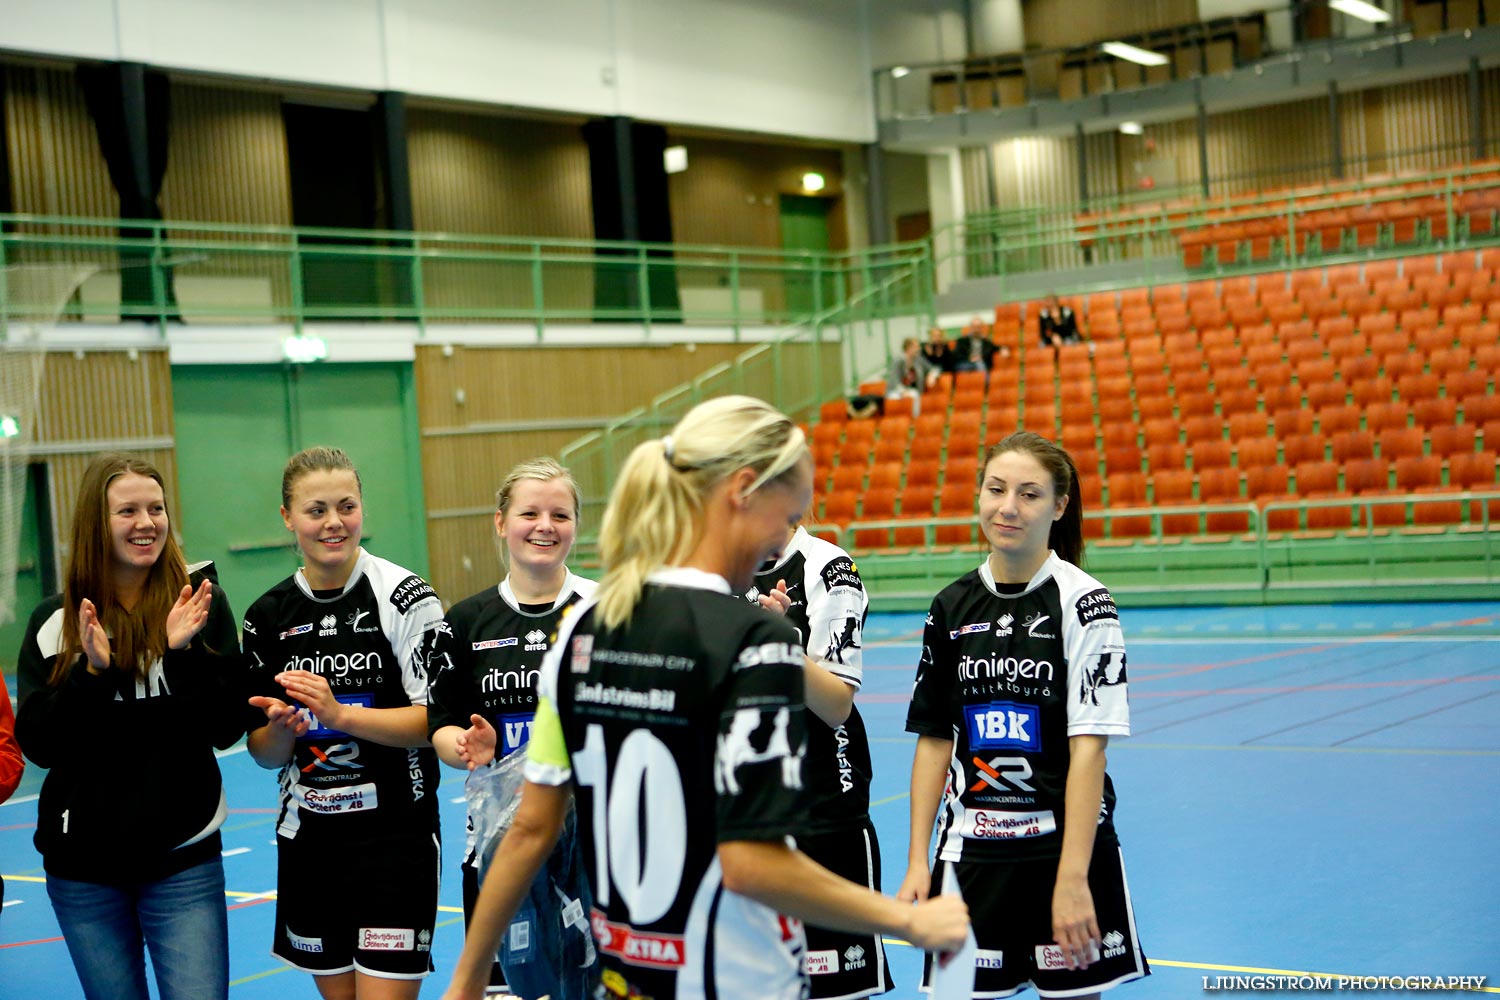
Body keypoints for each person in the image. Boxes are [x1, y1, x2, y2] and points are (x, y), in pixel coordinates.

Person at [440, 395, 968, 1000]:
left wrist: (467, 978)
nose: (782, 542)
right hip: (735, 975)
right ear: (743, 491)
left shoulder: (582, 632)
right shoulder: (753, 643)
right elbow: (752, 863)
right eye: (786, 514)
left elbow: (530, 828)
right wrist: (905, 919)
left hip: (630, 974)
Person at [898, 430, 1149, 999]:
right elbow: (935, 738)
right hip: (971, 852)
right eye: (996, 489)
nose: (1008, 507)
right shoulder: (950, 606)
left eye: (1030, 494)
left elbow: (1090, 747)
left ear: (1060, 506)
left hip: (1060, 850)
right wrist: (918, 861)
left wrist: (1072, 878)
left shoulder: (1085, 603)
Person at [14, 454, 242, 1000]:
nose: (147, 522)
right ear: (98, 522)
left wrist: (182, 654)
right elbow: (40, 744)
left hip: (183, 860)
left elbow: (226, 724)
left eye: (156, 508)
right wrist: (91, 674)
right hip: (83, 871)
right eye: (128, 511)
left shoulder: (199, 602)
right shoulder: (55, 621)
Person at [243, 446, 445, 1000]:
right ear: (287, 517)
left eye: (346, 506)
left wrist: (339, 716)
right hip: (311, 843)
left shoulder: (407, 598)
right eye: (316, 510)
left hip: (395, 838)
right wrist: (284, 728)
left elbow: (433, 719)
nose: (334, 522)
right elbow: (263, 752)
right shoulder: (266, 616)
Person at [427, 458, 598, 1000]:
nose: (545, 525)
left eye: (560, 514)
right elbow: (441, 724)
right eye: (529, 513)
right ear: (500, 523)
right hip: (501, 842)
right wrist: (463, 746)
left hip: (596, 845)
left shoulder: (607, 609)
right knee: (511, 988)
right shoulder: (465, 622)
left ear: (576, 524)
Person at [750, 527, 893, 1000]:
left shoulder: (829, 569)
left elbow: (835, 706)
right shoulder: (720, 567)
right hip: (749, 806)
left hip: (824, 799)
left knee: (838, 985)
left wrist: (780, 644)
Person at [887, 337, 939, 416]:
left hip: (913, 390)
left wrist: (931, 375)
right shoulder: (897, 361)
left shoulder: (919, 360)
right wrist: (903, 391)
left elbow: (934, 368)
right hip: (897, 390)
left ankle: (914, 420)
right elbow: (894, 379)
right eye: (916, 347)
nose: (919, 349)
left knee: (914, 394)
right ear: (908, 348)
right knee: (893, 398)